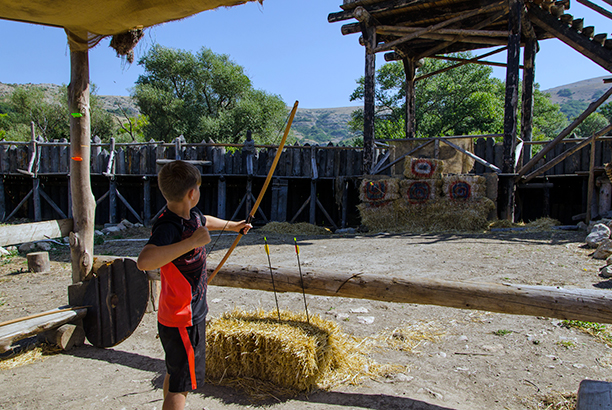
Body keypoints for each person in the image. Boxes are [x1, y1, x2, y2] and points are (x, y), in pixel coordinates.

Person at [137, 160, 251, 410]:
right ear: (192, 193)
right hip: (182, 318)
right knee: (182, 386)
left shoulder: (190, 215)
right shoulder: (169, 225)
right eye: (198, 188)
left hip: (180, 314)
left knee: (175, 373)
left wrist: (233, 226)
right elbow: (144, 261)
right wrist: (191, 243)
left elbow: (205, 220)